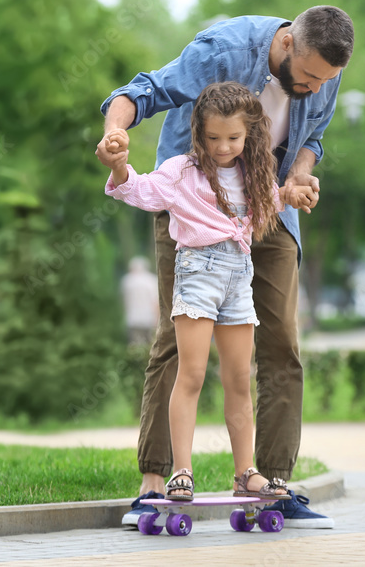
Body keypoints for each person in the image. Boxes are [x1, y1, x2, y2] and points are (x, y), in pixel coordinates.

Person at [97, 5, 354, 529]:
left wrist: (302, 176)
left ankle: (271, 483)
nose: (312, 88)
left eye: (325, 80)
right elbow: (143, 90)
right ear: (285, 46)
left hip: (266, 203)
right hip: (192, 206)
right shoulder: (225, 52)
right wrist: (115, 136)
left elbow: (310, 140)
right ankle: (155, 481)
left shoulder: (324, 74)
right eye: (306, 77)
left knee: (282, 342)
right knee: (176, 341)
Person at [101, 82, 315, 502]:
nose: (222, 147)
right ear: (199, 133)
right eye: (213, 138)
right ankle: (181, 471)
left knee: (238, 379)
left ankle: (245, 472)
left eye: (233, 138)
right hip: (198, 275)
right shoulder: (182, 171)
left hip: (239, 278)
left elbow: (270, 201)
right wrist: (119, 168)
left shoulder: (254, 173)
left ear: (250, 135)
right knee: (192, 374)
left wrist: (289, 193)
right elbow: (139, 191)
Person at [121, 256, 160, 347]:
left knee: (135, 347)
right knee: (151, 347)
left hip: (133, 319)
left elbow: (124, 302)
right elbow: (156, 302)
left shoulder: (127, 281)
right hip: (149, 318)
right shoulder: (151, 280)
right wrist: (157, 319)